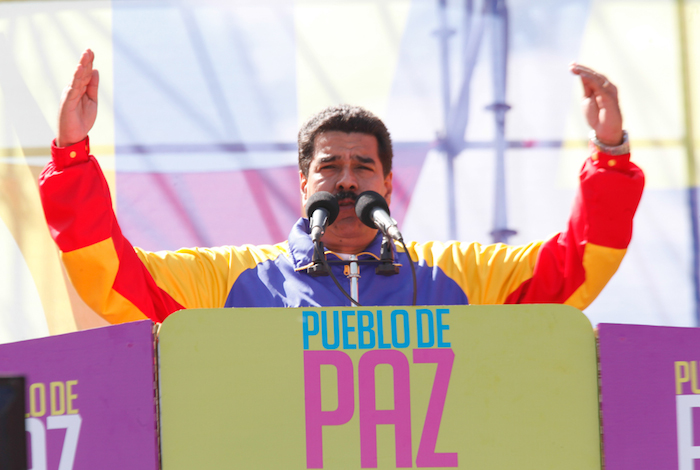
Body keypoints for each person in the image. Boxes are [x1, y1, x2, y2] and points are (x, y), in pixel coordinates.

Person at [39, 50, 644, 324]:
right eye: (330, 166)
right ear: (303, 182)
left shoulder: (456, 275)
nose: (348, 180)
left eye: (364, 167)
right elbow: (113, 279)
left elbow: (575, 269)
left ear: (388, 183)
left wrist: (611, 157)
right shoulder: (233, 279)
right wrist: (72, 157)